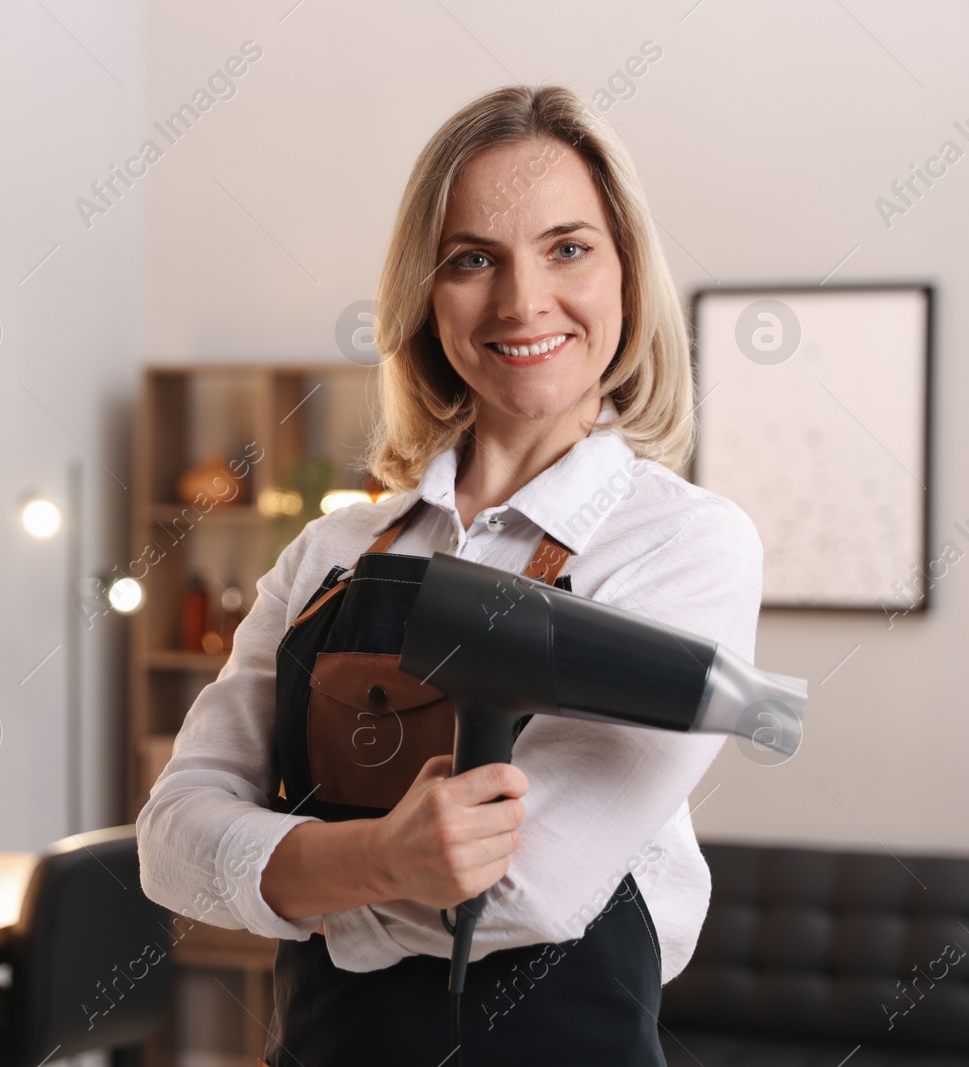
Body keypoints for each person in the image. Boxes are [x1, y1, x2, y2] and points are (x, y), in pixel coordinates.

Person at [136, 84, 763, 1065]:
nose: (522, 302)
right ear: (424, 297)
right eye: (473, 259)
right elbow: (171, 842)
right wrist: (387, 858)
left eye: (567, 248)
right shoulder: (331, 553)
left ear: (627, 277)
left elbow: (523, 890)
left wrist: (289, 880)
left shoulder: (683, 545)